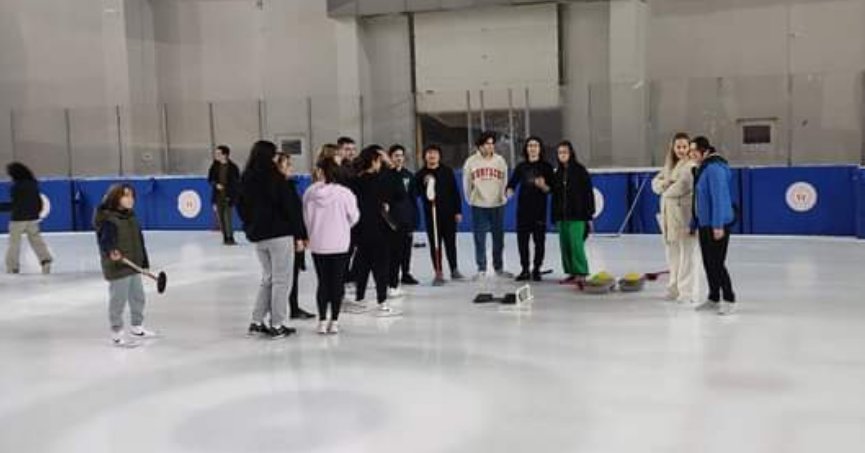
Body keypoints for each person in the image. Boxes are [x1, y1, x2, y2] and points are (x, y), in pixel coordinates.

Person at [236, 140, 304, 339]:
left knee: (268, 279)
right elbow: (291, 209)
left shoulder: (246, 179)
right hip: (280, 235)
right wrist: (300, 234)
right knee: (281, 280)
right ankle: (277, 324)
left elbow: (240, 207)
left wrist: (250, 226)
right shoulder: (277, 179)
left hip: (259, 236)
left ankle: (257, 321)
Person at [304, 158, 360, 334]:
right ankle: (334, 321)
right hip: (339, 244)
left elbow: (305, 217)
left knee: (323, 282)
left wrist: (312, 231)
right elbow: (354, 217)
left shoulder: (310, 193)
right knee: (337, 282)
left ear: (320, 171)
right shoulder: (345, 193)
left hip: (318, 243)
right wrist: (342, 226)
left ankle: (322, 321)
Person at [94, 184, 155, 347]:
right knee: (118, 300)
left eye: (132, 196)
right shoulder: (109, 219)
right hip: (118, 266)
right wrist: (111, 251)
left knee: (138, 296)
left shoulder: (131, 217)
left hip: (133, 264)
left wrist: (144, 262)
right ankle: (117, 332)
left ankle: (137, 326)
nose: (130, 199)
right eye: (126, 196)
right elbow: (105, 241)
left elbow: (139, 241)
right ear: (116, 198)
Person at [346, 145, 402, 315]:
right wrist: (391, 166)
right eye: (380, 160)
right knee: (381, 266)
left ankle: (360, 298)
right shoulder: (382, 179)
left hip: (359, 228)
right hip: (379, 229)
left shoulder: (355, 181)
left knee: (363, 264)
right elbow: (400, 193)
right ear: (374, 161)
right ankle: (382, 302)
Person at [690, 136, 737, 315]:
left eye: (694, 151)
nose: (691, 154)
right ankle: (713, 297)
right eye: (690, 151)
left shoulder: (714, 168)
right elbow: (698, 199)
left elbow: (719, 199)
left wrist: (718, 226)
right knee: (708, 262)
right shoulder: (703, 168)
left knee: (717, 263)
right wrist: (694, 222)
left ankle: (729, 298)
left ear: (705, 151)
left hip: (716, 224)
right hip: (704, 223)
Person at [652, 132, 699, 304]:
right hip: (668, 217)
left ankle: (686, 292)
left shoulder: (690, 166)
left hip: (683, 216)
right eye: (678, 146)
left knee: (686, 255)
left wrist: (665, 186)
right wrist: (665, 183)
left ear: (689, 148)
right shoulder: (669, 166)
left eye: (684, 146)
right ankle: (673, 288)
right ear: (673, 147)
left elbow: (681, 186)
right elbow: (655, 183)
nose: (681, 150)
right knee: (672, 254)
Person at [463, 131, 511, 279]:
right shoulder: (471, 162)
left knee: (498, 239)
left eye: (492, 144)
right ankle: (481, 268)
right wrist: (470, 198)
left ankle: (499, 267)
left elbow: (505, 180)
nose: (490, 146)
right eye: (487, 144)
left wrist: (503, 197)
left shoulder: (500, 161)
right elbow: (466, 182)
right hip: (479, 205)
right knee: (479, 238)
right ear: (479, 146)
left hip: (497, 204)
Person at [506, 136, 555, 282]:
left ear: (540, 149)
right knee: (522, 241)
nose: (532, 148)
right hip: (523, 210)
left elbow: (552, 189)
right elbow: (512, 183)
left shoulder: (546, 167)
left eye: (535, 145)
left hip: (539, 210)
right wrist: (509, 190)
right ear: (526, 149)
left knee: (539, 241)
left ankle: (537, 269)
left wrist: (543, 186)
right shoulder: (521, 167)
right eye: (530, 146)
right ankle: (525, 269)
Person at [416, 145, 465, 286]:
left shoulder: (447, 171)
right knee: (435, 244)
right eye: (429, 153)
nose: (432, 156)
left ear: (439, 156)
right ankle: (438, 271)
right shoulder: (420, 174)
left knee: (451, 243)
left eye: (435, 153)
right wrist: (425, 185)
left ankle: (454, 269)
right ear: (425, 156)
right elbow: (417, 192)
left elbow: (455, 192)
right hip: (431, 215)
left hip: (448, 214)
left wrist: (458, 211)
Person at [274, 153, 315, 320]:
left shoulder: (287, 185)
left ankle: (293, 307)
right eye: (287, 164)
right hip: (288, 237)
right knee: (287, 276)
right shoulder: (282, 187)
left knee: (292, 275)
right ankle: (284, 311)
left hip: (291, 236)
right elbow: (292, 215)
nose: (291, 167)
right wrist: (299, 237)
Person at [551, 141, 595, 286]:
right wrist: (554, 216)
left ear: (571, 153)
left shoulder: (580, 171)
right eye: (560, 152)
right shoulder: (557, 173)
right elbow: (555, 196)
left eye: (565, 152)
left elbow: (588, 194)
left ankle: (581, 272)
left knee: (576, 245)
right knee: (565, 246)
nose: (562, 155)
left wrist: (589, 216)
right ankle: (571, 273)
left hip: (578, 216)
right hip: (562, 217)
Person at [1, 162, 52, 275]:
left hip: (18, 219)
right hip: (32, 218)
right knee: (37, 241)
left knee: (14, 243)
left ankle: (13, 266)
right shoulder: (33, 184)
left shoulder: (16, 187)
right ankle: (45, 260)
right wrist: (36, 213)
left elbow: (15, 204)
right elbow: (38, 201)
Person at [387, 144, 420, 288]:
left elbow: (413, 199)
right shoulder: (386, 176)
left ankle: (406, 273)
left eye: (401, 155)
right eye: (396, 156)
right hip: (392, 219)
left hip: (407, 218)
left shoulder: (409, 175)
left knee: (407, 249)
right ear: (390, 158)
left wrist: (414, 219)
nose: (399, 158)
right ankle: (391, 276)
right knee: (393, 250)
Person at [207, 145, 240, 245]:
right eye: (216, 153)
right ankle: (225, 237)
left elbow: (236, 183)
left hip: (228, 196)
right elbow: (210, 179)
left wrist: (232, 195)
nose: (216, 155)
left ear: (225, 155)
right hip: (218, 196)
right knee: (221, 218)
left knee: (227, 218)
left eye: (218, 153)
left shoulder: (233, 167)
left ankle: (230, 237)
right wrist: (216, 184)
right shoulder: (214, 166)